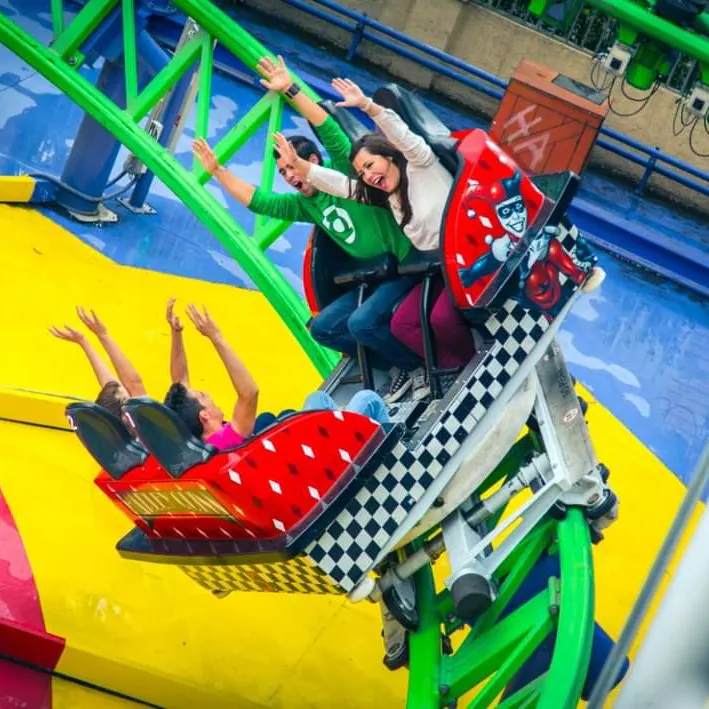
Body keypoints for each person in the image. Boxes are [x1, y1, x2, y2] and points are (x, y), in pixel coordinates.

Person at [274, 77, 606, 378]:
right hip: (442, 271)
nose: (368, 175)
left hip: (472, 253)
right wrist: (300, 167)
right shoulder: (386, 196)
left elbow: (402, 136)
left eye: (370, 165)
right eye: (362, 172)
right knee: (404, 323)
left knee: (443, 318)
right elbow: (340, 186)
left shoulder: (420, 164)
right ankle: (454, 371)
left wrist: (368, 106)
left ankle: (572, 275)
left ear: (388, 156)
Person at [193, 55, 428, 402]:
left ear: (313, 161)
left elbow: (329, 131)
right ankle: (393, 365)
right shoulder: (305, 204)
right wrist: (217, 172)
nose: (289, 177)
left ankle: (416, 367)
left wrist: (290, 89)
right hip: (373, 276)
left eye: (292, 167)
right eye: (284, 173)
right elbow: (259, 202)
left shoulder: (345, 172)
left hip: (405, 264)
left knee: (361, 323)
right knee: (324, 328)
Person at [164, 304, 259, 451]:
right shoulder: (227, 441)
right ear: (205, 415)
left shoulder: (197, 445)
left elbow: (180, 380)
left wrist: (176, 332)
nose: (207, 394)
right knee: (278, 418)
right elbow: (250, 393)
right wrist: (216, 336)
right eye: (202, 395)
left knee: (265, 418)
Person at [50, 307, 146, 419]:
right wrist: (103, 336)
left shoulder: (107, 422)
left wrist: (84, 342)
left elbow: (109, 384)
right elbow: (134, 384)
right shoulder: (140, 422)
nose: (126, 387)